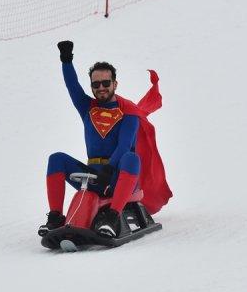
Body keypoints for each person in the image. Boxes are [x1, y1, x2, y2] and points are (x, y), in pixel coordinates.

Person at [39, 40, 165, 238]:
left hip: (118, 177)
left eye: (106, 83)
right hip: (93, 176)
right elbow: (72, 86)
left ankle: (113, 217)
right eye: (96, 84)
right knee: (56, 159)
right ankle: (55, 217)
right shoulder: (87, 107)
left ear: (115, 84)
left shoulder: (129, 113)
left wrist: (109, 169)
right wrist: (66, 59)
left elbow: (124, 145)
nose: (101, 87)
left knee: (132, 158)